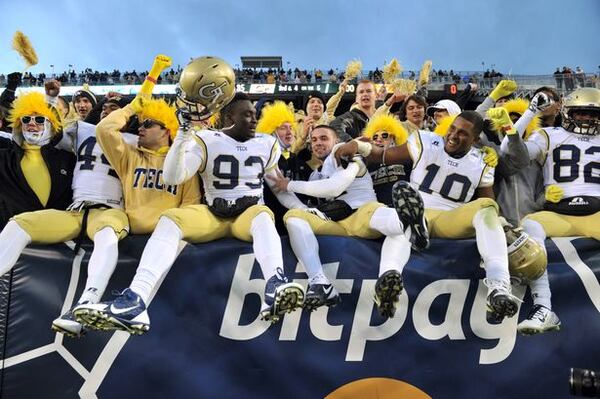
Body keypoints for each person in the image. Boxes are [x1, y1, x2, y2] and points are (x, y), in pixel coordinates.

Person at [76, 92, 309, 334]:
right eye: (246, 114)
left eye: (254, 114)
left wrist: (303, 209)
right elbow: (173, 177)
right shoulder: (207, 139)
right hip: (213, 214)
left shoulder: (266, 143)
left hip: (247, 215)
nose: (253, 120)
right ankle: (135, 300)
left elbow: (277, 186)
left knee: (262, 213)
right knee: (170, 219)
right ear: (230, 116)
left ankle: (275, 283)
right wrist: (184, 135)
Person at [335, 111, 520, 323]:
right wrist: (358, 146)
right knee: (404, 221)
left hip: (448, 219)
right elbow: (384, 155)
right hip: (416, 210)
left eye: (462, 133)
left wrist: (502, 224)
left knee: (487, 208)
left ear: (475, 140)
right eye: (452, 128)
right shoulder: (425, 140)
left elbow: (490, 203)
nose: (453, 135)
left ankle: (498, 285)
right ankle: (388, 279)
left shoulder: (483, 161)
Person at [268, 124, 425, 317]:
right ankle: (319, 283)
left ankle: (409, 225)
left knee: (381, 216)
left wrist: (290, 184)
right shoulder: (315, 174)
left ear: (336, 141)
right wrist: (302, 206)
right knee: (292, 218)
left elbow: (335, 187)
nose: (318, 143)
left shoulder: (344, 153)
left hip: (362, 212)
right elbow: (306, 195)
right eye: (314, 140)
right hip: (337, 223)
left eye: (324, 138)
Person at [517, 87, 600, 335]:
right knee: (529, 228)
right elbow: (515, 155)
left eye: (593, 115)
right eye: (581, 113)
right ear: (567, 112)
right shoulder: (548, 134)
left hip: (597, 212)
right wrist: (529, 114)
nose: (588, 120)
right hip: (558, 212)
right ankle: (543, 307)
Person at [0, 92, 75, 229]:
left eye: (40, 120)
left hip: (57, 236)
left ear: (52, 126)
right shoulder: (3, 158)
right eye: (26, 119)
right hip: (11, 236)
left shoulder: (68, 159)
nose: (32, 124)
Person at [361, 114, 410, 206]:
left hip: (405, 208)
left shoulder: (403, 158)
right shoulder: (366, 163)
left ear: (393, 139)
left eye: (384, 135)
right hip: (380, 211)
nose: (378, 140)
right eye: (374, 137)